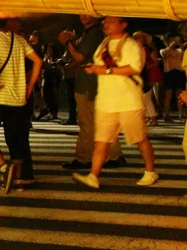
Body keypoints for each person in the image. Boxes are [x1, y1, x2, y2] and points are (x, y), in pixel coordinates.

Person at [73, 16, 160, 190]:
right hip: (106, 101)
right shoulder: (104, 44)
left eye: (111, 21)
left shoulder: (132, 45)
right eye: (105, 21)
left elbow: (134, 68)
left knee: (140, 139)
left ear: (123, 25)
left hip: (128, 101)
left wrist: (105, 70)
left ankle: (150, 171)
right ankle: (93, 176)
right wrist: (94, 68)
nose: (105, 24)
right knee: (101, 141)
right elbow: (102, 67)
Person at [0, 16, 42, 191]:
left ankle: (4, 168)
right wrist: (30, 85)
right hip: (19, 98)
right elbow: (38, 60)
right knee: (15, 140)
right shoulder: (19, 39)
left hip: (0, 97)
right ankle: (18, 180)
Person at [58, 16, 125, 169]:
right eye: (82, 12)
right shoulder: (89, 33)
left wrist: (67, 42)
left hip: (89, 85)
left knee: (87, 123)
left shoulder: (93, 33)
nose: (83, 16)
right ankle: (114, 155)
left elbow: (80, 57)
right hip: (92, 84)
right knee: (100, 122)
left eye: (87, 13)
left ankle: (85, 157)